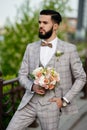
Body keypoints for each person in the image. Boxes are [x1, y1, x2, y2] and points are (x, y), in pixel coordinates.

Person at [6, 9, 86, 130]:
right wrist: (32, 86)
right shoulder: (30, 48)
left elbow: (81, 77)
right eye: (39, 22)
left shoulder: (69, 49)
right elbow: (22, 75)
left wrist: (64, 100)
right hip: (29, 102)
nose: (41, 26)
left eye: (45, 23)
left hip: (52, 105)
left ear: (55, 26)